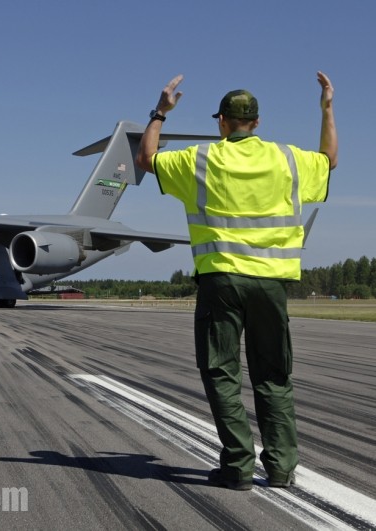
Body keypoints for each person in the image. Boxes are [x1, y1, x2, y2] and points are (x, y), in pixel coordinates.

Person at [135, 73, 337, 490]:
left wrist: (160, 112)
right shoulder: (288, 159)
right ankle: (281, 468)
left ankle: (238, 467)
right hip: (272, 283)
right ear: (257, 123)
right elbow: (329, 159)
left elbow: (147, 158)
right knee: (273, 375)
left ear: (222, 122)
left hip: (221, 282)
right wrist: (327, 109)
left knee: (222, 372)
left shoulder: (200, 159)